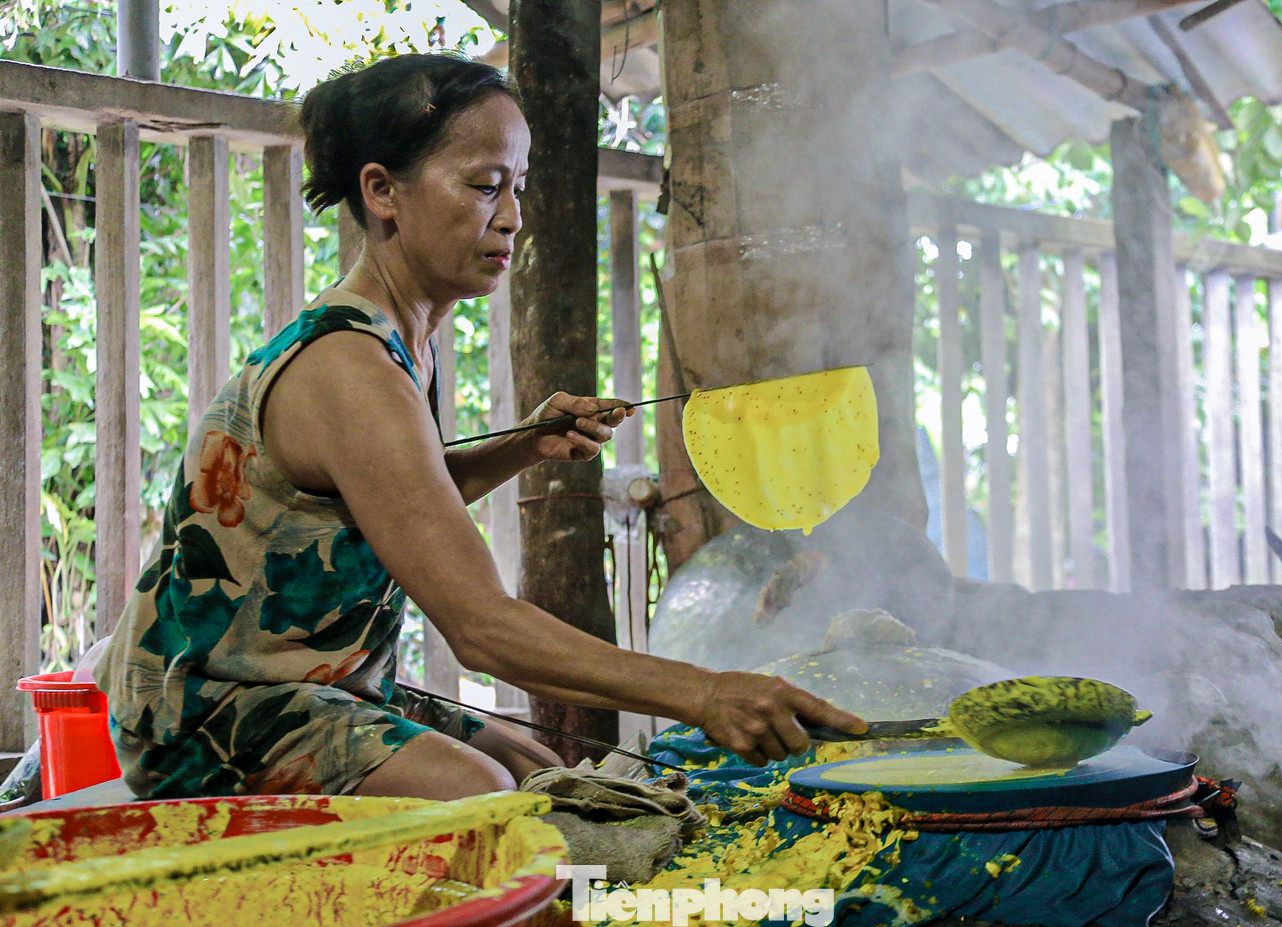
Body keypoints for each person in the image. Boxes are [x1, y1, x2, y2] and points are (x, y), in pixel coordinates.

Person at [94, 53, 865, 802]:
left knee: (529, 765)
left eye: (518, 188)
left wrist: (525, 445)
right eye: (485, 186)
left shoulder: (397, 342)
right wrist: (707, 692)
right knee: (481, 789)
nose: (513, 217)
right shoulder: (350, 367)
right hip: (207, 712)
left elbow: (398, 501)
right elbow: (482, 629)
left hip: (304, 687)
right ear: (382, 191)